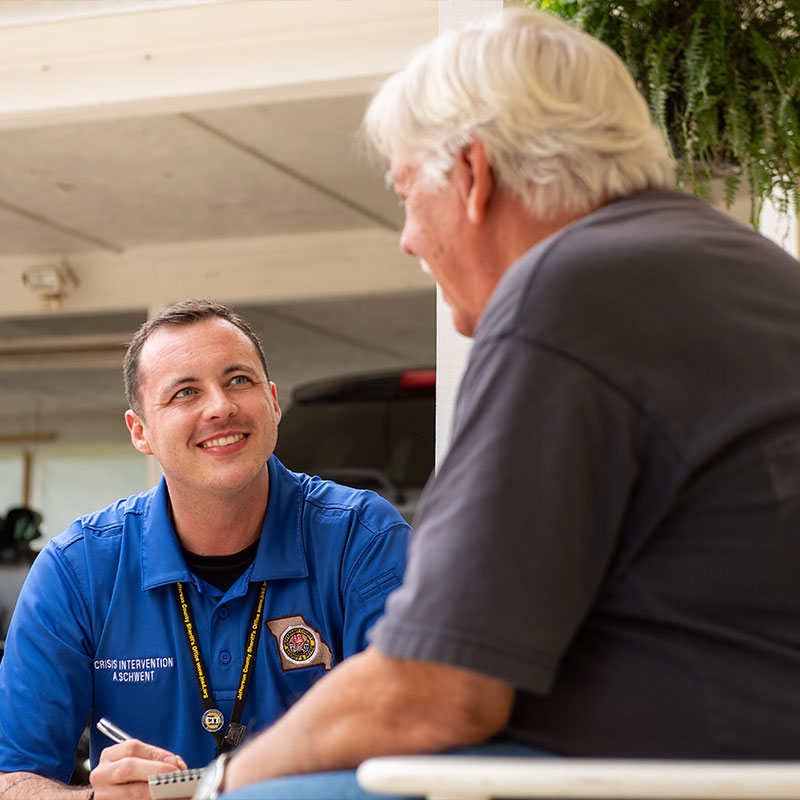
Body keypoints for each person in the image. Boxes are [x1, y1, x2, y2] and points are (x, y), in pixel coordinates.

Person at [191, 7, 800, 799]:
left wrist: (219, 782)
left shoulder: (568, 291)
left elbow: (432, 690)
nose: (408, 237)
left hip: (667, 775)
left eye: (409, 192)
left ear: (474, 175)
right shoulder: (746, 266)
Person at [0, 300, 411, 800]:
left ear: (273, 402)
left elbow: (412, 722)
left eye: (239, 380)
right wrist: (95, 799)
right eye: (185, 392)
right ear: (140, 431)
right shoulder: (77, 570)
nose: (219, 406)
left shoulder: (361, 538)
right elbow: (12, 778)